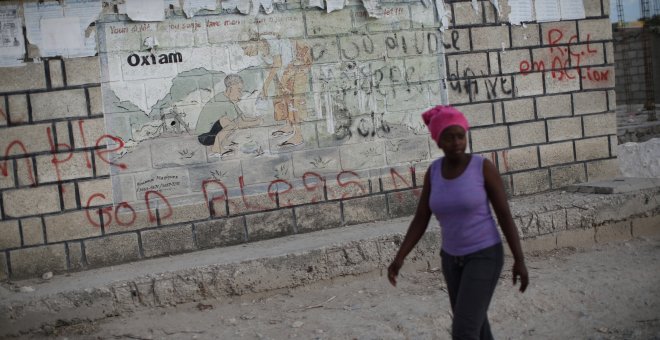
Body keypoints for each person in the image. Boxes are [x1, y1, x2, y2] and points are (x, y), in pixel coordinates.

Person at [387, 105, 529, 340]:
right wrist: (400, 257)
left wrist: (520, 260)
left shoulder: (482, 168)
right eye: (449, 137)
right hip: (451, 261)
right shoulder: (433, 173)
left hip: (484, 256)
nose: (456, 142)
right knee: (476, 325)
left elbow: (504, 214)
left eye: (460, 136)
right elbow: (421, 218)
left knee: (464, 331)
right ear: (438, 141)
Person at [196, 74, 262, 158]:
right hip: (205, 137)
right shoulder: (225, 102)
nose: (241, 93)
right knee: (229, 122)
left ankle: (223, 141)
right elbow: (239, 124)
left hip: (211, 134)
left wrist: (256, 118)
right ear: (231, 88)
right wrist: (257, 122)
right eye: (239, 90)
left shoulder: (228, 99)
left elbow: (243, 118)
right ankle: (216, 148)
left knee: (231, 121)